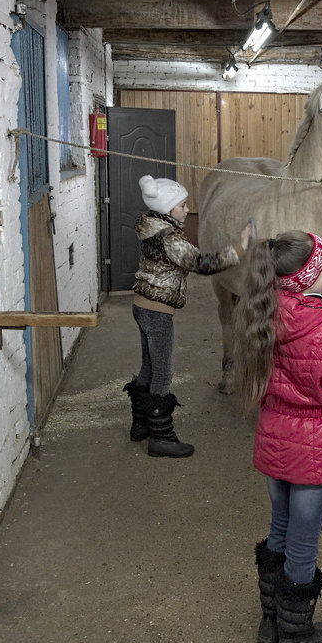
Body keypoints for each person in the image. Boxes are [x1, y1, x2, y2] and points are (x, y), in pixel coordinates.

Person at [233, 231, 322, 643]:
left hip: (274, 445)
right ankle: (295, 638)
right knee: (303, 547)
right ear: (312, 276)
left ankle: (269, 622)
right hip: (313, 455)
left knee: (279, 528)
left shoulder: (259, 320)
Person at [124, 174, 252, 458]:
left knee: (148, 367)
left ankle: (140, 424)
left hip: (141, 305)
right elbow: (202, 264)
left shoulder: (151, 227)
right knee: (163, 373)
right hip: (157, 312)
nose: (186, 210)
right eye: (182, 205)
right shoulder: (169, 238)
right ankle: (162, 436)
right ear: (168, 209)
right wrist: (241, 248)